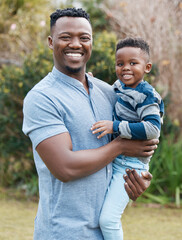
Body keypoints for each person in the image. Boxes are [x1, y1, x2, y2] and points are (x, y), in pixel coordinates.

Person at [22, 8, 158, 240]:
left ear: (91, 42)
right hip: (63, 233)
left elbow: (140, 140)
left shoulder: (109, 92)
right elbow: (65, 168)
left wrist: (137, 177)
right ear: (50, 41)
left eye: (84, 38)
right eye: (66, 37)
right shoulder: (42, 98)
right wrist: (122, 146)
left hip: (105, 231)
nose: (76, 44)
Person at [91, 37, 164, 240]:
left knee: (108, 220)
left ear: (147, 67)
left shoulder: (146, 95)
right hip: (114, 159)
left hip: (131, 166)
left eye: (133, 63)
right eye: (120, 63)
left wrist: (114, 127)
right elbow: (109, 92)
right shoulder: (121, 87)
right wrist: (91, 81)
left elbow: (152, 129)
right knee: (97, 217)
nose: (125, 68)